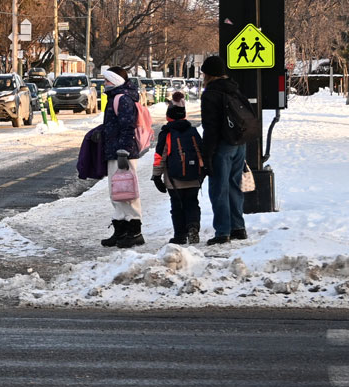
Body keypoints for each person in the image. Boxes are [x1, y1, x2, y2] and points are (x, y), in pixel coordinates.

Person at [199, 54, 248, 245]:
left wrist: (207, 154)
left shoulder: (211, 94)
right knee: (234, 186)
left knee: (219, 188)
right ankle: (238, 227)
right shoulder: (234, 89)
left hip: (222, 146)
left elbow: (210, 127)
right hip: (239, 143)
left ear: (208, 75)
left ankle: (222, 231)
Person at [99, 66, 145, 248]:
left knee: (128, 191)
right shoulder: (115, 98)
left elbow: (128, 126)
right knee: (117, 191)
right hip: (114, 150)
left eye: (107, 80)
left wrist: (123, 150)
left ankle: (134, 230)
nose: (104, 84)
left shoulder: (122, 99)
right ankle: (121, 229)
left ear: (116, 81)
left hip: (122, 152)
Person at [152, 91, 205, 245]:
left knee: (177, 207)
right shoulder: (193, 131)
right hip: (194, 177)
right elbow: (201, 151)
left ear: (169, 115)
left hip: (173, 179)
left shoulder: (167, 133)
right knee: (192, 203)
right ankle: (193, 227)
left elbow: (160, 157)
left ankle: (180, 235)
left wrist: (156, 176)